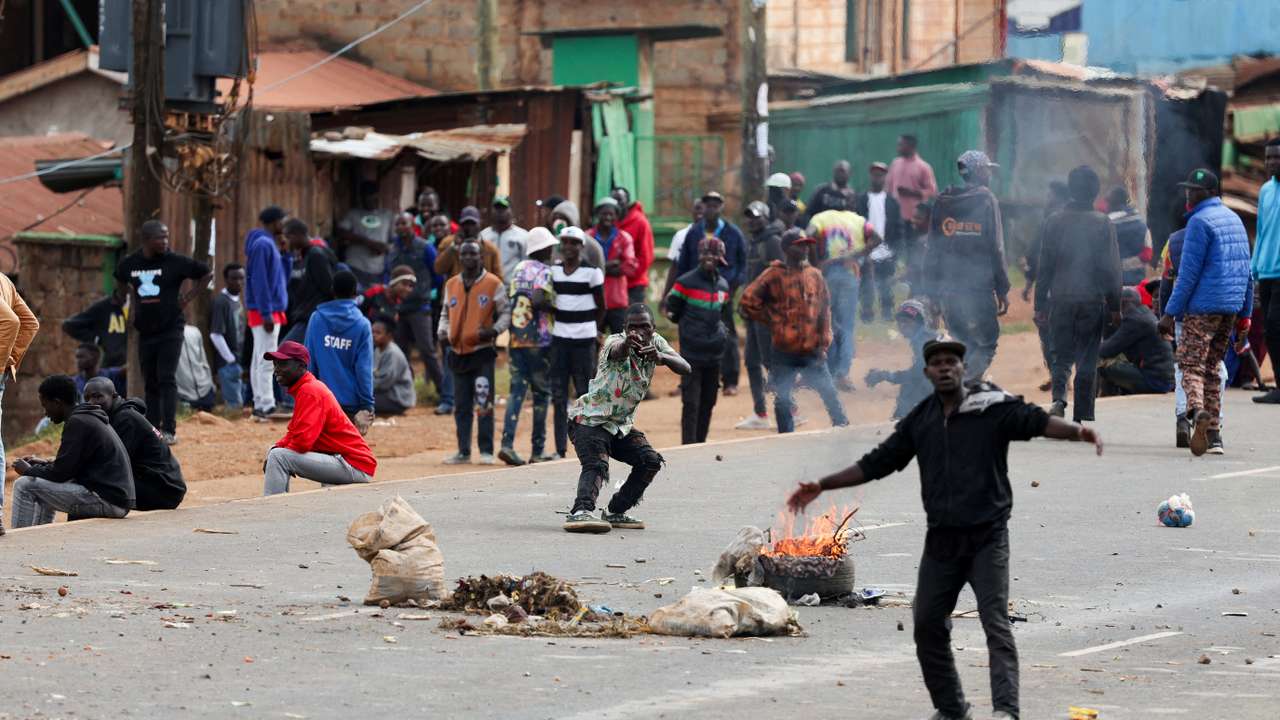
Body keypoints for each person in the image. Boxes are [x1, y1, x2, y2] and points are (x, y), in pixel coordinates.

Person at [786, 338, 1102, 720]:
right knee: (926, 625)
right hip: (942, 543)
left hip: (987, 538)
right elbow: (878, 462)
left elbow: (1036, 421)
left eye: (952, 361)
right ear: (927, 373)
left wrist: (1078, 432)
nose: (946, 367)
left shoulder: (991, 408)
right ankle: (952, 709)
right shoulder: (923, 419)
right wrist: (822, 484)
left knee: (995, 624)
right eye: (938, 363)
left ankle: (1006, 711)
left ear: (962, 369)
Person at [562, 304, 690, 533]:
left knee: (649, 461)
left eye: (645, 327)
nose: (639, 333)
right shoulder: (614, 342)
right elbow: (617, 350)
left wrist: (661, 356)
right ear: (624, 328)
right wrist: (627, 344)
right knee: (597, 464)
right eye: (633, 328)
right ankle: (580, 511)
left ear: (653, 328)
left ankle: (615, 511)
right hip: (589, 421)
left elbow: (685, 367)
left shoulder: (657, 342)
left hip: (619, 426)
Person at [1158, 168, 1254, 456]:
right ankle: (1214, 436)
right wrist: (1245, 315)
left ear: (1210, 193)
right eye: (1188, 189)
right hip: (1230, 308)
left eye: (1194, 190)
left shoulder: (1199, 223)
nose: (1189, 194)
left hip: (1202, 308)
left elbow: (1187, 275)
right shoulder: (1235, 220)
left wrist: (1169, 313)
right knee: (1213, 368)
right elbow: (1246, 274)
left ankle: (1197, 411)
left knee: (1190, 365)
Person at [1034, 165, 1122, 422]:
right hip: (1092, 301)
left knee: (1061, 355)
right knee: (1087, 356)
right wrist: (1115, 305)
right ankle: (1081, 413)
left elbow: (1045, 266)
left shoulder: (1053, 221)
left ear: (1071, 190)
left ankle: (1059, 399)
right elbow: (1111, 269)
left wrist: (1040, 304)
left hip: (1060, 299)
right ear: (1094, 193)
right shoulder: (1102, 223)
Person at [739, 229, 849, 433]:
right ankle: (786, 438)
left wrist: (824, 341)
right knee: (782, 401)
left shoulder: (814, 275)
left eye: (806, 244)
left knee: (830, 394)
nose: (805, 248)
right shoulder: (773, 274)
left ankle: (843, 430)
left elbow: (825, 310)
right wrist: (773, 320)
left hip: (812, 351)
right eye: (800, 244)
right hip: (784, 352)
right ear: (787, 249)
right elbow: (747, 301)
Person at [115, 220, 212, 443]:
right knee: (150, 380)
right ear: (147, 240)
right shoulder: (131, 263)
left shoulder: (175, 261)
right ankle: (154, 430)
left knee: (166, 377)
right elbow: (120, 278)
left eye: (167, 237)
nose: (165, 242)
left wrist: (186, 299)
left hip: (171, 328)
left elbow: (206, 273)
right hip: (145, 330)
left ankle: (169, 430)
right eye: (161, 237)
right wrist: (124, 303)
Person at [924, 150, 1010, 383]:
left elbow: (932, 248)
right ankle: (966, 383)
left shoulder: (942, 201)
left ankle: (962, 385)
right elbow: (996, 247)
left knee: (963, 341)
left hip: (948, 288)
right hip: (978, 287)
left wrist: (932, 293)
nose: (990, 174)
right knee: (987, 342)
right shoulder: (986, 199)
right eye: (987, 169)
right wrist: (1002, 288)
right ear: (979, 171)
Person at [9, 375, 133, 529]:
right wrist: (43, 465)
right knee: (42, 484)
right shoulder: (86, 417)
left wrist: (29, 470)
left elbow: (60, 474)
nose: (45, 413)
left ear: (57, 403)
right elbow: (69, 467)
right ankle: (38, 536)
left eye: (45, 406)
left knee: (24, 485)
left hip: (108, 501)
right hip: (116, 499)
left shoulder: (78, 422)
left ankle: (21, 540)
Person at [261, 341, 377, 495]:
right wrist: (275, 447)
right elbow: (294, 434)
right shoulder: (306, 389)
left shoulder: (310, 391)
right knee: (275, 451)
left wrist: (276, 452)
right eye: (275, 364)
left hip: (353, 464)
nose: (276, 370)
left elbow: (302, 442)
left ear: (301, 366)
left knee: (278, 457)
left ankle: (272, 513)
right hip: (346, 461)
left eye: (283, 364)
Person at [666, 192, 748, 396]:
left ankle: (730, 380)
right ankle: (689, 379)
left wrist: (731, 286)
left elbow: (742, 264)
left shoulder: (733, 232)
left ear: (721, 208)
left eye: (715, 205)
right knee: (690, 333)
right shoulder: (694, 232)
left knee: (727, 334)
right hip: (695, 295)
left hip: (722, 293)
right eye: (707, 205)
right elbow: (683, 263)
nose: (711, 209)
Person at [437, 240, 511, 465]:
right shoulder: (451, 284)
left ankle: (486, 450)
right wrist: (442, 332)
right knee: (461, 405)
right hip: (457, 352)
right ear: (460, 257)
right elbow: (445, 313)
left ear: (481, 257)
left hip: (481, 352)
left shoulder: (493, 284)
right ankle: (463, 451)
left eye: (474, 254)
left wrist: (493, 331)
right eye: (465, 254)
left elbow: (506, 313)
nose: (469, 257)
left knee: (484, 403)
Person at [1160, 220, 1229, 449]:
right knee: (1215, 370)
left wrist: (1166, 314)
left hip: (1183, 315)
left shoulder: (1173, 242)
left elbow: (1167, 281)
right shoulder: (1222, 237)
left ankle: (1184, 417)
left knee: (1186, 368)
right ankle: (1213, 430)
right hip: (1218, 311)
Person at [807, 189, 881, 391]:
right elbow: (877, 238)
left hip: (826, 275)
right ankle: (842, 373)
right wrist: (857, 254)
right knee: (847, 326)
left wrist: (815, 263)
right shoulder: (858, 220)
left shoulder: (820, 218)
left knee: (827, 323)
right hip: (850, 273)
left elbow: (808, 237)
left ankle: (828, 372)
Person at [82, 377, 186, 511]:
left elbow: (113, 462)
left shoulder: (126, 419)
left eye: (97, 397)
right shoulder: (115, 415)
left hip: (164, 490)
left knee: (91, 484)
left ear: (113, 396)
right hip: (160, 483)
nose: (91, 402)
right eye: (87, 398)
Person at [499, 227, 557, 466]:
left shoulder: (519, 269)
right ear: (543, 249)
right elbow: (539, 300)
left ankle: (507, 444)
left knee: (517, 392)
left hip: (516, 338)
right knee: (542, 393)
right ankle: (537, 450)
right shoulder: (545, 272)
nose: (553, 251)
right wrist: (558, 309)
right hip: (538, 339)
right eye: (550, 247)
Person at [667, 237, 731, 444]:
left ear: (721, 258)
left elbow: (724, 314)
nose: (709, 257)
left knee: (708, 402)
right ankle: (688, 447)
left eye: (714, 254)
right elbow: (673, 311)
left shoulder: (723, 286)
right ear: (699, 255)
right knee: (691, 403)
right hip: (691, 355)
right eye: (705, 253)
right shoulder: (685, 282)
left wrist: (721, 335)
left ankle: (700, 445)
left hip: (715, 355)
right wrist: (690, 331)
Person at [550, 227, 606, 459]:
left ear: (582, 246)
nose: (569, 247)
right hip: (560, 338)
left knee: (584, 393)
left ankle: (588, 445)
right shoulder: (554, 271)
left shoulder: (592, 272)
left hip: (584, 340)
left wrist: (595, 331)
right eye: (565, 242)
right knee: (559, 394)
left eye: (574, 243)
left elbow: (601, 306)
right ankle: (560, 449)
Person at [385, 213, 444, 397]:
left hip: (421, 308)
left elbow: (438, 274)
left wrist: (426, 292)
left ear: (412, 225)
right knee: (402, 353)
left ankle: (444, 394)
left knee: (427, 351)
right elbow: (388, 275)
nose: (401, 226)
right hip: (399, 309)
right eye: (398, 223)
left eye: (405, 223)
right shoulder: (393, 249)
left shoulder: (425, 247)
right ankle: (406, 393)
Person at [738, 200, 784, 430]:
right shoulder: (753, 241)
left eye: (756, 216)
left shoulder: (773, 241)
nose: (752, 220)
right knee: (752, 361)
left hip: (766, 313)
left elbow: (779, 277)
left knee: (769, 361)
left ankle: (790, 408)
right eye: (749, 216)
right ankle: (761, 412)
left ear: (766, 217)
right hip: (752, 312)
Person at [305, 270, 374, 420]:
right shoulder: (362, 324)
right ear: (355, 293)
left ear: (332, 290)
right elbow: (363, 369)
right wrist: (367, 404)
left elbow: (309, 362)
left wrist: (308, 398)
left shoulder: (317, 318)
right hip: (351, 406)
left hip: (321, 402)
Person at [243, 206, 290, 420]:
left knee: (259, 356)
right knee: (266, 357)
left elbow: (281, 279)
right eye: (282, 220)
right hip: (265, 310)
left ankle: (260, 403)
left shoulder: (268, 244)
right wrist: (266, 312)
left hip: (266, 309)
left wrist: (285, 254)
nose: (284, 224)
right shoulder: (263, 244)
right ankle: (267, 405)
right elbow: (260, 281)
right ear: (274, 222)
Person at [1023, 181, 1070, 391]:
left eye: (1049, 194)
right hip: (1074, 288)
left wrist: (1028, 283)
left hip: (1051, 289)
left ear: (1059, 197)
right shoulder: (1075, 219)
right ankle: (1062, 374)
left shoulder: (1049, 222)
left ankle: (1059, 374)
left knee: (1047, 332)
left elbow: (1035, 256)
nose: (1047, 198)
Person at [865, 299, 938, 419]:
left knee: (910, 387)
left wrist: (885, 375)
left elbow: (917, 374)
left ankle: (899, 420)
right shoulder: (926, 337)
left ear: (919, 322)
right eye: (900, 322)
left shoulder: (924, 342)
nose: (902, 325)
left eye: (907, 321)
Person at [887, 134, 939, 297]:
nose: (898, 148)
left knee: (913, 254)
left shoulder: (923, 166)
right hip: (896, 219)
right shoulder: (895, 164)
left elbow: (932, 190)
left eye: (901, 145)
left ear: (911, 146)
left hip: (914, 220)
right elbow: (888, 188)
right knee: (892, 252)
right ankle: (890, 286)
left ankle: (914, 286)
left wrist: (912, 192)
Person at [1098, 288, 1175, 396]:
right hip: (1163, 380)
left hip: (1154, 382)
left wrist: (1086, 349)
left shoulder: (1134, 320)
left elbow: (1108, 350)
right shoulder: (1144, 314)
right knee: (1118, 359)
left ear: (1124, 304)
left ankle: (1106, 398)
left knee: (1101, 364)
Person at [856, 161, 904, 323]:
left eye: (881, 174)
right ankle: (867, 313)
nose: (878, 177)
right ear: (871, 176)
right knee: (866, 284)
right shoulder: (862, 199)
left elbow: (898, 227)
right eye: (875, 174)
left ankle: (887, 312)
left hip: (887, 250)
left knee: (886, 283)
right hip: (867, 249)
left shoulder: (892, 202)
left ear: (885, 177)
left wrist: (896, 250)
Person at [1253, 138, 1280, 404]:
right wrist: (1255, 271)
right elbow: (1261, 232)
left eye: (1277, 158)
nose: (1272, 163)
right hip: (1268, 273)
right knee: (1269, 330)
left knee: (1274, 325)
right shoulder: (1265, 191)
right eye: (1269, 157)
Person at [586, 197, 638, 334]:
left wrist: (599, 268)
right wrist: (612, 264)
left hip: (617, 300)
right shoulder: (588, 237)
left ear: (616, 216)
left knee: (620, 342)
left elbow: (630, 267)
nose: (607, 217)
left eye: (611, 214)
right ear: (598, 215)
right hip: (593, 299)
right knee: (593, 341)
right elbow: (583, 266)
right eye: (604, 213)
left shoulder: (624, 238)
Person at [282, 218, 335, 344]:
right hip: (300, 316)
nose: (285, 241)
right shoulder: (301, 256)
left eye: (288, 237)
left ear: (299, 234)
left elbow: (328, 288)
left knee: (284, 353)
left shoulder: (316, 255)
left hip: (312, 317)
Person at [337, 182, 395, 287]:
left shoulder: (387, 215)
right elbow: (341, 232)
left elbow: (394, 240)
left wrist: (384, 248)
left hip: (377, 269)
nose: (370, 200)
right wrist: (368, 243)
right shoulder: (353, 214)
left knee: (374, 300)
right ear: (361, 198)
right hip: (355, 266)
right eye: (367, 197)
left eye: (373, 196)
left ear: (378, 196)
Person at [210, 263, 247, 409]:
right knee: (235, 408)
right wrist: (230, 358)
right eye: (234, 278)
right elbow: (215, 334)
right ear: (226, 279)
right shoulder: (221, 302)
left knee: (240, 406)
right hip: (227, 363)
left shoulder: (237, 300)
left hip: (238, 361)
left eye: (241, 278)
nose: (238, 282)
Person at [62, 286, 127, 369]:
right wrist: (97, 338)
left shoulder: (140, 305)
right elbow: (69, 325)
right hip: (113, 367)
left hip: (139, 368)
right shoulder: (104, 307)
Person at [659, 200, 705, 313]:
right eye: (697, 208)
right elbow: (674, 267)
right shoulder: (681, 235)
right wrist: (666, 294)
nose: (701, 212)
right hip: (686, 290)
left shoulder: (715, 234)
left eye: (704, 208)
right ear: (692, 211)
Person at [613, 187, 655, 306]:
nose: (616, 204)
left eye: (620, 200)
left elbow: (646, 256)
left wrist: (626, 273)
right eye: (613, 200)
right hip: (612, 283)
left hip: (634, 285)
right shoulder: (610, 221)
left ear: (627, 202)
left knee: (633, 321)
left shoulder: (640, 222)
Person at [435, 206, 502, 279]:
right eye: (465, 223)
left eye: (472, 223)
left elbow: (498, 279)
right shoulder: (447, 243)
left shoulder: (490, 249)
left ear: (480, 223)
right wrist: (453, 247)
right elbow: (438, 269)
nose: (469, 227)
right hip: (454, 289)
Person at [1106, 186, 1154, 286]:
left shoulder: (1106, 225)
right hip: (1138, 282)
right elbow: (1147, 254)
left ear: (1111, 203)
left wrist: (1120, 265)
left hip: (1113, 282)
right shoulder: (1141, 224)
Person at [371, 316, 415, 416]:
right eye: (372, 332)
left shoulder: (392, 353)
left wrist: (365, 389)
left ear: (389, 335)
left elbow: (385, 383)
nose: (373, 335)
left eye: (378, 333)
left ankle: (392, 410)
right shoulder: (378, 349)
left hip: (397, 397)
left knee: (361, 402)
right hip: (386, 393)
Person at [483, 195, 529, 281]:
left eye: (503, 208)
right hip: (488, 289)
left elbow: (526, 265)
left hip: (512, 289)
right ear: (491, 210)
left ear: (511, 210)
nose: (500, 211)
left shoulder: (523, 236)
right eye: (497, 208)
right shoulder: (483, 236)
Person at [550, 200, 606, 269]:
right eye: (556, 219)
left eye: (563, 219)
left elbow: (599, 269)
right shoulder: (551, 243)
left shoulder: (591, 245)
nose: (559, 223)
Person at [176, 321, 216, 412]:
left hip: (204, 388)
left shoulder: (194, 331)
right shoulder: (169, 335)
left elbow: (203, 359)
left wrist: (211, 383)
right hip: (184, 394)